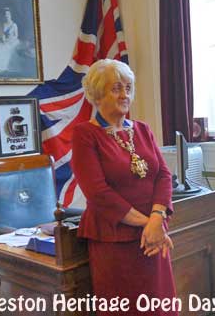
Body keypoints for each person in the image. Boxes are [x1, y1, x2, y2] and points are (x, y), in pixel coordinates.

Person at [71, 59, 177, 316]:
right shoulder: (85, 134)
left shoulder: (143, 130)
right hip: (115, 240)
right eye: (116, 88)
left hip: (153, 236)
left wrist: (156, 219)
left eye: (128, 87)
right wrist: (149, 225)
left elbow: (164, 175)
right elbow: (98, 193)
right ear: (97, 95)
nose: (125, 94)